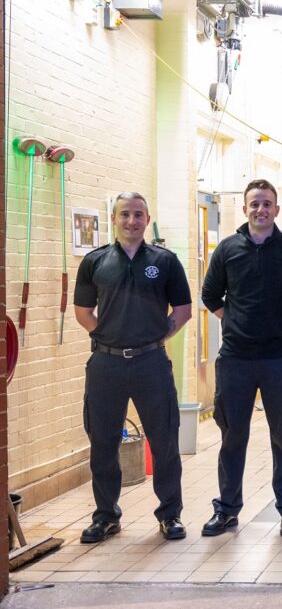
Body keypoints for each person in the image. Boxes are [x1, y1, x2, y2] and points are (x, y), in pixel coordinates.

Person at [199, 179, 282, 538]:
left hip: (279, 359)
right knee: (232, 436)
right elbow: (210, 296)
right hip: (236, 358)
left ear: (276, 210)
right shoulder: (227, 249)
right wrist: (237, 322)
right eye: (255, 204)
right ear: (245, 208)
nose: (260, 210)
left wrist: (281, 325)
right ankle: (227, 510)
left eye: (267, 204)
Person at [73, 192, 192, 543]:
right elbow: (83, 312)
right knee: (103, 442)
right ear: (114, 219)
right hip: (105, 365)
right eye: (125, 214)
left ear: (147, 218)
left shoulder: (165, 261)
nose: (132, 221)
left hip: (151, 363)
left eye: (138, 215)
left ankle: (170, 515)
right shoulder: (95, 262)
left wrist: (154, 338)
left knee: (164, 440)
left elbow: (182, 310)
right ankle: (106, 516)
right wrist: (111, 337)